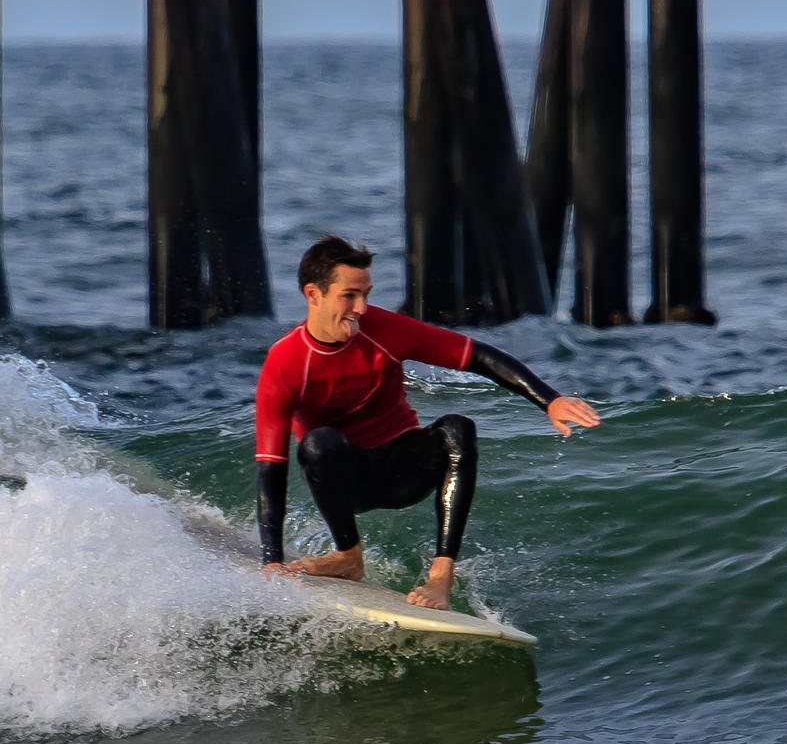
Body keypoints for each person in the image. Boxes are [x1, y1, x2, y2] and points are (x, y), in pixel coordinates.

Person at [255, 236, 600, 610]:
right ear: (313, 294)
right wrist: (271, 561)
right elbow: (270, 469)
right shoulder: (285, 363)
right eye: (349, 296)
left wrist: (549, 400)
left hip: (404, 471)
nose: (361, 307)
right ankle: (348, 556)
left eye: (366, 294)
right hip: (346, 483)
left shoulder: (384, 330)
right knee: (318, 443)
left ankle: (441, 575)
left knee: (457, 427)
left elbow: (476, 356)